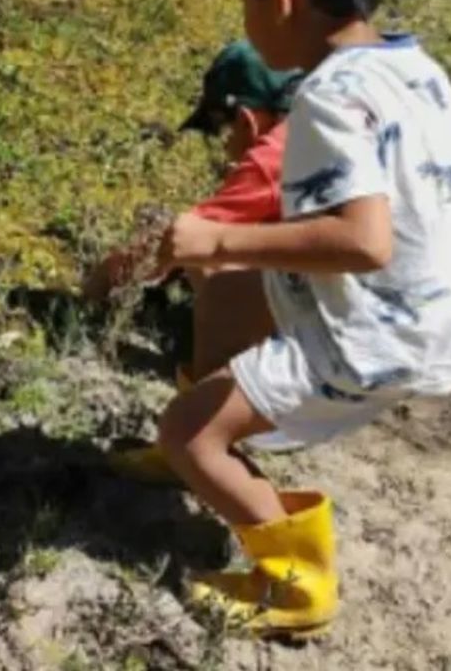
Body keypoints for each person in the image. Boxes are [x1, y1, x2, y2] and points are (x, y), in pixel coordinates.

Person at [152, 0, 451, 638]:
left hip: (368, 338)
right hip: (428, 318)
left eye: (244, 0)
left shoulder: (328, 97)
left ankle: (295, 582)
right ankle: (207, 437)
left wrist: (217, 237)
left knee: (188, 432)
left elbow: (364, 243)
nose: (246, 16)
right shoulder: (416, 68)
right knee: (232, 285)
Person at [82, 42, 305, 480]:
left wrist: (99, 285)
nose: (224, 151)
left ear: (245, 118)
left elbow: (178, 242)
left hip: (338, 354)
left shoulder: (273, 157)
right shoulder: (317, 127)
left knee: (212, 263)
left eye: (220, 130)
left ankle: (198, 437)